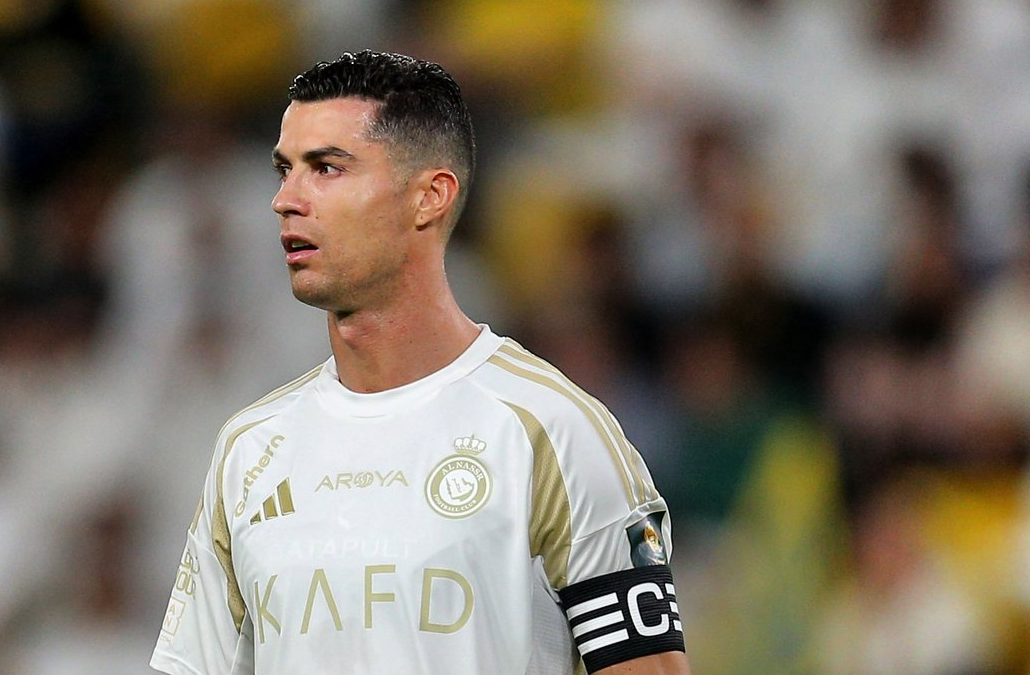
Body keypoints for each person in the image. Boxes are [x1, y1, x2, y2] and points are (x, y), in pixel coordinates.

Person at [149, 50, 691, 675]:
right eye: (284, 170)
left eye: (326, 168)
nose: (285, 199)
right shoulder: (248, 450)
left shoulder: (551, 433)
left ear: (429, 198)